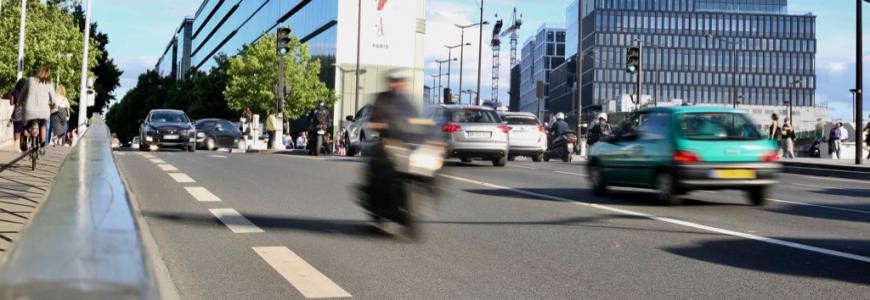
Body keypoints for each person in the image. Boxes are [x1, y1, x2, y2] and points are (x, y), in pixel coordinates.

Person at [19, 66, 56, 149]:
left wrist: (19, 103)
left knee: (26, 125)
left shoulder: (30, 80)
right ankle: (42, 146)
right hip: (44, 111)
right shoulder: (49, 84)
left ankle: (25, 139)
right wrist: (53, 106)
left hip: (29, 110)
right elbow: (54, 100)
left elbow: (22, 94)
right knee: (42, 124)